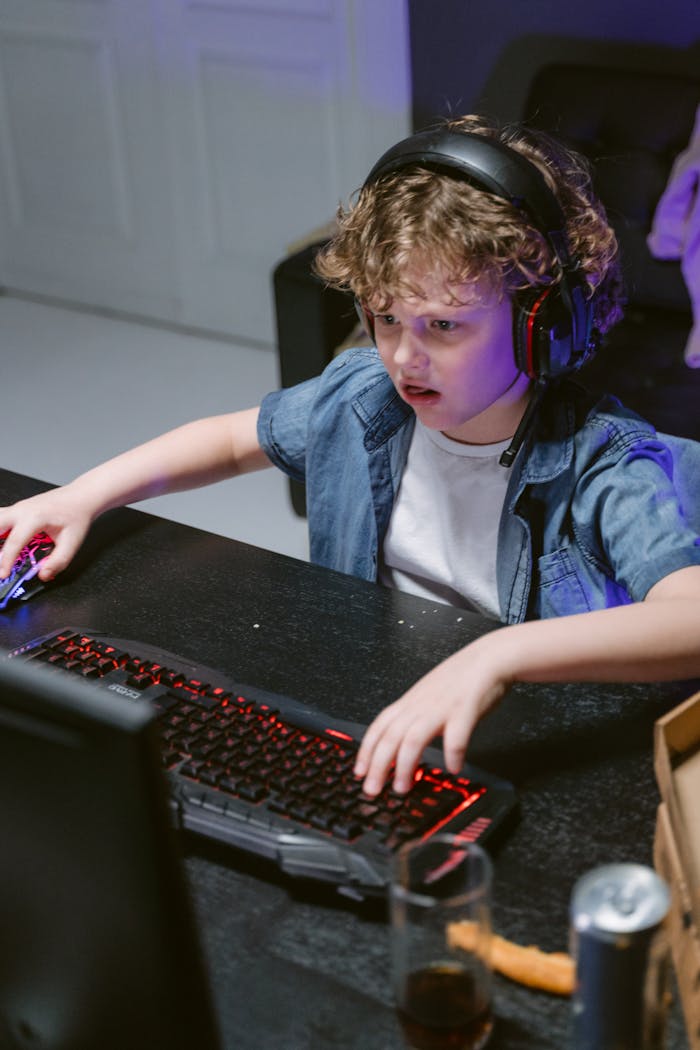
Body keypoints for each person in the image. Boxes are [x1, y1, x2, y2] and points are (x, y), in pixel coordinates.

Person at [2, 115, 700, 800]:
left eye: (444, 325)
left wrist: (498, 655)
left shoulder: (607, 463)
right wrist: (82, 496)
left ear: (539, 323)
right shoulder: (364, 397)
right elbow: (232, 441)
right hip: (365, 705)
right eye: (386, 317)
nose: (404, 356)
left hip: (519, 743)